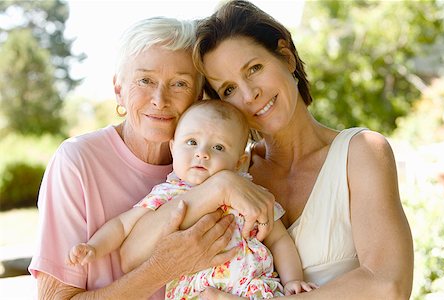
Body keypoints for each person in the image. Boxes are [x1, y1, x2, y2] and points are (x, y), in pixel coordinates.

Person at [28, 16, 274, 299]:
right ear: (119, 90)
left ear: (198, 96)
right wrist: (162, 268)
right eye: (145, 80)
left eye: (179, 84)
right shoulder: (77, 161)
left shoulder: (214, 161)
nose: (160, 99)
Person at [189, 0, 415, 299]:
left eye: (254, 68)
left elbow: (388, 285)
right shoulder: (230, 172)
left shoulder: (360, 152)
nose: (249, 93)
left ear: (286, 57)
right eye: (228, 89)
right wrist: (222, 183)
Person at [67, 100, 316, 299]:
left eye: (218, 147)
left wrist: (293, 279)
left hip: (256, 291)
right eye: (192, 142)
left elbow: (280, 239)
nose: (202, 153)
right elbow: (122, 225)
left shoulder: (250, 194)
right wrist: (94, 247)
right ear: (174, 147)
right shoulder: (167, 194)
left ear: (240, 161)